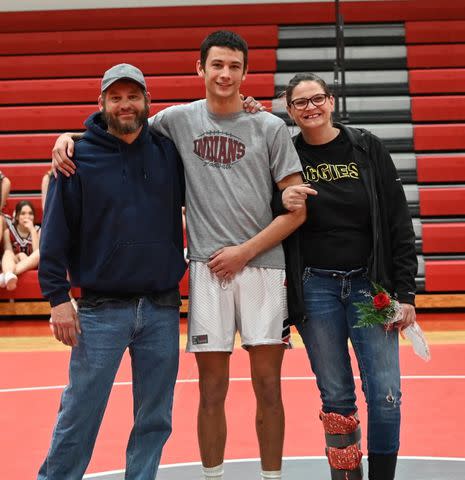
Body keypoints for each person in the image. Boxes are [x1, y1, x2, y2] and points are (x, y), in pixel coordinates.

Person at [52, 31, 314, 480]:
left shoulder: (266, 125)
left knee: (264, 388)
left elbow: (297, 205)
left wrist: (248, 249)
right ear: (200, 69)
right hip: (205, 272)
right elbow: (116, 126)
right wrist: (67, 137)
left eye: (234, 66)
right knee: (203, 390)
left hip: (255, 272)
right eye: (217, 65)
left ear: (245, 73)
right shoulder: (174, 121)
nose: (225, 74)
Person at [38, 63, 186, 479]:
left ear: (147, 102)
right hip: (101, 311)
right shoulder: (76, 157)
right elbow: (55, 233)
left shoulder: (167, 152)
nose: (125, 104)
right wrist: (57, 299)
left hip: (160, 307)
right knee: (80, 413)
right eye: (116, 97)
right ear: (101, 102)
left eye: (133, 96)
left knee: (155, 419)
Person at [281, 73, 417, 480]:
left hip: (371, 288)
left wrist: (406, 292)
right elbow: (272, 214)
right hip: (315, 288)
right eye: (300, 103)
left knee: (386, 394)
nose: (310, 107)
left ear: (331, 100)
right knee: (336, 396)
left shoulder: (366, 147)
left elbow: (397, 219)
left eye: (317, 98)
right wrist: (280, 198)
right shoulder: (287, 156)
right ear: (289, 111)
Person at [0, 200, 40, 290]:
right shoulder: (9, 231)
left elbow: (36, 253)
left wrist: (32, 230)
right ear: (17, 216)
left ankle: (5, 275)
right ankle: (9, 274)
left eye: (30, 213)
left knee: (39, 253)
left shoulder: (38, 230)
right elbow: (9, 252)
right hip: (12, 262)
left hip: (32, 265)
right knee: (8, 252)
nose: (27, 217)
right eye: (23, 213)